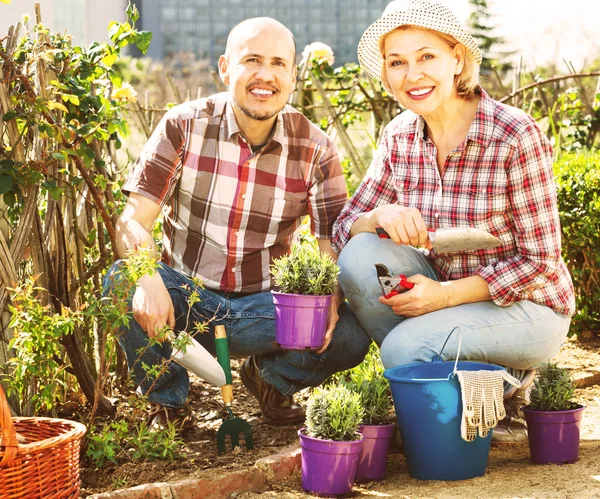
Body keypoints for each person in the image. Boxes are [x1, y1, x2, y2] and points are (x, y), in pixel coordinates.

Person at [106, 17, 371, 430]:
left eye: (279, 64)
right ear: (226, 68)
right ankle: (168, 403)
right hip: (185, 304)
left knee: (351, 333)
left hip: (265, 310)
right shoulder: (183, 125)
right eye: (252, 60)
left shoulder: (315, 148)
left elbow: (328, 250)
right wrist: (146, 277)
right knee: (122, 279)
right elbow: (131, 222)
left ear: (293, 76)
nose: (266, 75)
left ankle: (269, 379)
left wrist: (331, 301)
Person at [332, 0, 575, 443]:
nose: (413, 74)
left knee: (403, 349)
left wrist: (443, 297)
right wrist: (377, 215)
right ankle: (478, 390)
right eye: (398, 62)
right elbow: (344, 226)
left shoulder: (514, 135)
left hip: (527, 307)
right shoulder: (399, 136)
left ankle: (496, 380)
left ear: (457, 58)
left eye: (427, 56)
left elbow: (541, 259)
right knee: (360, 255)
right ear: (386, 75)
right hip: (440, 299)